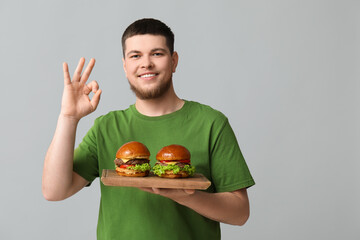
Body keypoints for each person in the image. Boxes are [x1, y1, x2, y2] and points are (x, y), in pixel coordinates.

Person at [42, 18, 255, 239]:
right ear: (125, 66)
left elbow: (240, 213)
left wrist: (186, 196)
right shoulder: (106, 127)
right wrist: (68, 117)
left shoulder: (211, 123)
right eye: (135, 56)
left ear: (174, 61)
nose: (146, 64)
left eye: (157, 54)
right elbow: (54, 191)